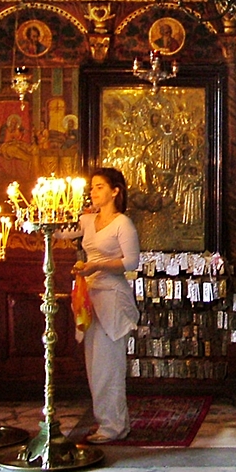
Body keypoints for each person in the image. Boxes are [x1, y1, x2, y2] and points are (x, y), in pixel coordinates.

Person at [72, 167, 140, 443]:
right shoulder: (87, 221)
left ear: (115, 191)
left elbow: (131, 262)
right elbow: (60, 232)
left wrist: (97, 266)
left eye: (99, 186)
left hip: (112, 295)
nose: (93, 191)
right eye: (91, 186)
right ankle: (107, 420)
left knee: (108, 365)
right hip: (91, 297)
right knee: (94, 365)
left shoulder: (123, 224)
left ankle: (114, 425)